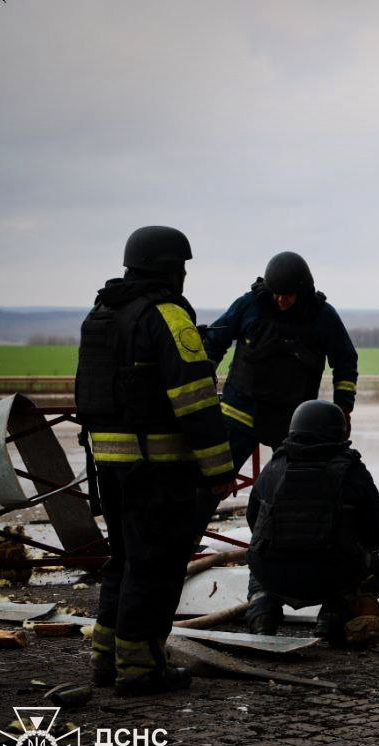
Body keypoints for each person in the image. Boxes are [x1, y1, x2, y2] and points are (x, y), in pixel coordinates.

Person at [75, 225, 235, 696]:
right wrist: (220, 470)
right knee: (156, 565)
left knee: (122, 561)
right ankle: (141, 669)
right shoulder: (166, 316)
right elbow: (196, 401)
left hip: (108, 462)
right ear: (170, 269)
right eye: (181, 267)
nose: (184, 275)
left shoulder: (101, 313)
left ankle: (106, 660)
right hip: (158, 467)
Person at [197, 251, 358, 631]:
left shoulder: (322, 316)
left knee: (293, 493)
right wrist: (204, 383)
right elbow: (214, 341)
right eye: (276, 294)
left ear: (302, 290)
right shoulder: (250, 305)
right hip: (239, 414)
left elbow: (345, 360)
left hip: (294, 424)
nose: (281, 301)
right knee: (208, 483)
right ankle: (183, 548)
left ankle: (284, 558)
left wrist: (342, 408)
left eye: (288, 295)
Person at [245, 400, 379, 644]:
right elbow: (375, 537)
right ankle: (333, 616)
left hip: (274, 575)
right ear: (340, 432)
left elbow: (255, 524)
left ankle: (262, 616)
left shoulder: (274, 465)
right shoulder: (351, 470)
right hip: (329, 576)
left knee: (258, 564)